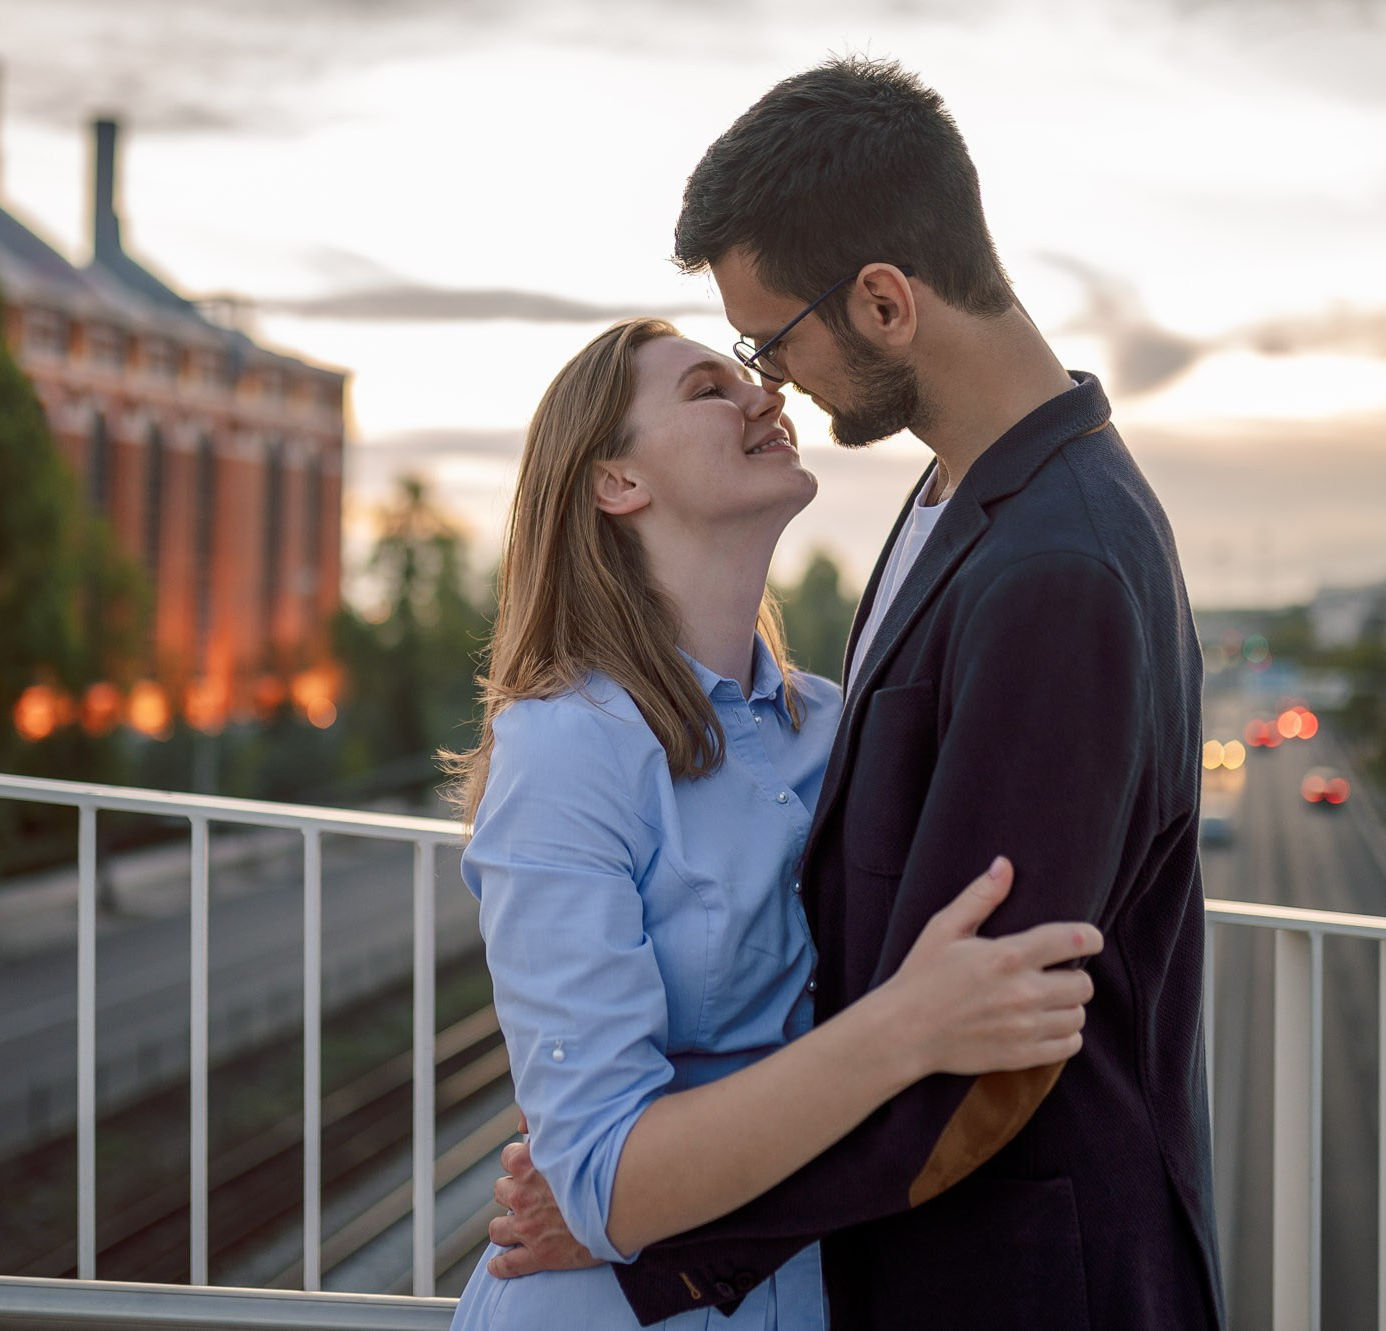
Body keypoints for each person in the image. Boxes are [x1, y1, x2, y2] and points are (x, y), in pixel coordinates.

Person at [487, 59, 1224, 1330]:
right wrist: (624, 1177)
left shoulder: (1057, 563)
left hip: (1017, 1274)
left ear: (883, 301)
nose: (771, 382)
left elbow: (984, 1051)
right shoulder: (950, 502)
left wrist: (658, 1229)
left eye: (766, 342)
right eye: (726, 366)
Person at [444, 316, 1103, 1330]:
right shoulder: (565, 748)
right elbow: (603, 1185)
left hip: (813, 1292)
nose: (768, 394)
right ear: (617, 482)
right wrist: (907, 1028)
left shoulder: (833, 721)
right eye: (710, 388)